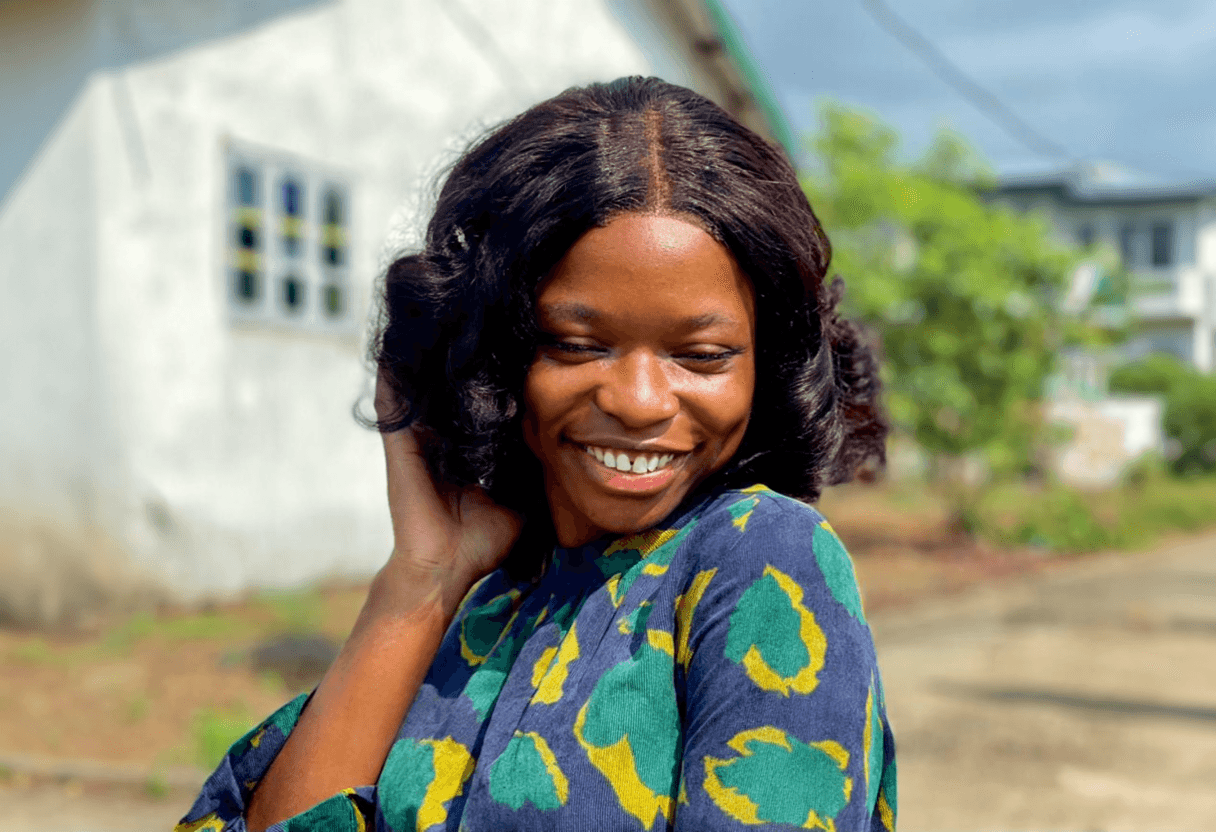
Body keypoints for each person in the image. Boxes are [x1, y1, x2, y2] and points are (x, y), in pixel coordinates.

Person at [178, 76, 896, 832]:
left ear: (764, 367)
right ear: (497, 352)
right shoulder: (497, 600)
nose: (640, 401)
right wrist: (423, 575)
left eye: (703, 355)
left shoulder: (762, 557)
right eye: (577, 345)